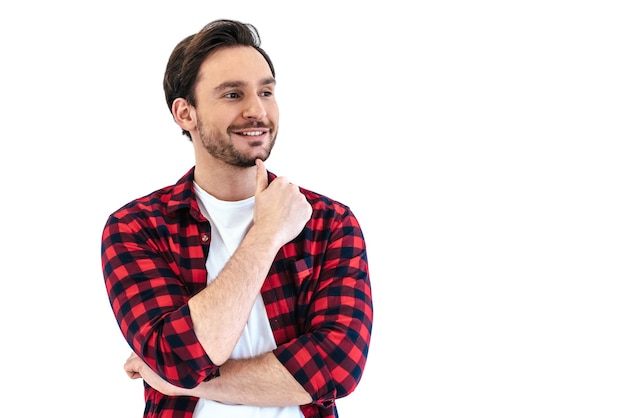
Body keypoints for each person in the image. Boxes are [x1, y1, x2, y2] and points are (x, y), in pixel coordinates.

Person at [100, 18, 373, 418]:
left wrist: (181, 380)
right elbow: (181, 356)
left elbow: (336, 369)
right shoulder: (136, 228)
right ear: (185, 113)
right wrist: (265, 234)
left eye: (266, 91)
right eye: (232, 94)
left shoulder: (328, 222)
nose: (256, 110)